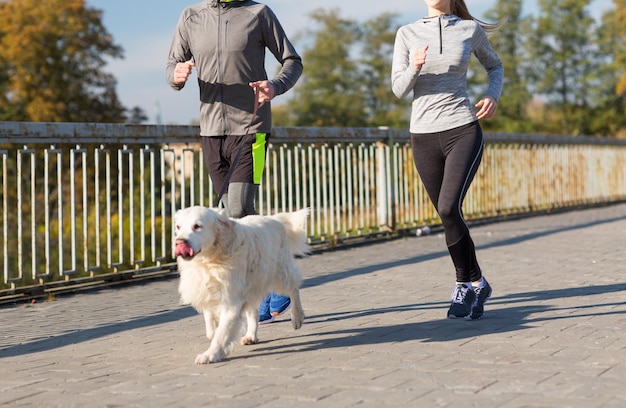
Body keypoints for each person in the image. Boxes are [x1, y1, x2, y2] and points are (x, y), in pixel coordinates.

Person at [166, 0, 302, 324]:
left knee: (239, 207)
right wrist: (177, 74)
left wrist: (275, 85)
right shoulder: (191, 16)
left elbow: (292, 61)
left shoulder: (258, 14)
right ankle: (260, 276)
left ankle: (270, 285)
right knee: (229, 214)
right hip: (211, 131)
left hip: (252, 128)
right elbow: (171, 65)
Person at [391, 0, 503, 320]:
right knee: (448, 217)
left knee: (447, 207)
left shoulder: (470, 29)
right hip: (423, 135)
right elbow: (398, 89)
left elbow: (495, 66)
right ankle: (478, 282)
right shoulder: (407, 33)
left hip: (462, 129)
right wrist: (414, 66)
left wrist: (492, 94)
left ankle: (462, 285)